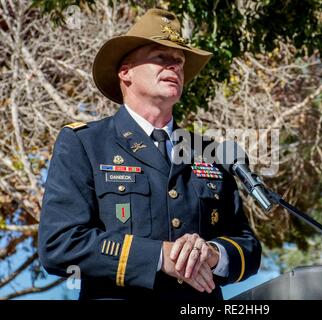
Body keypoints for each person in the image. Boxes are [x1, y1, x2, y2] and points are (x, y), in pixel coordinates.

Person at [38, 8, 261, 300]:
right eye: (161, 57)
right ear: (125, 72)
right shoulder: (85, 143)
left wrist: (212, 254)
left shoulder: (209, 153)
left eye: (179, 62)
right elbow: (60, 244)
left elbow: (248, 246)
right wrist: (160, 256)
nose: (174, 67)